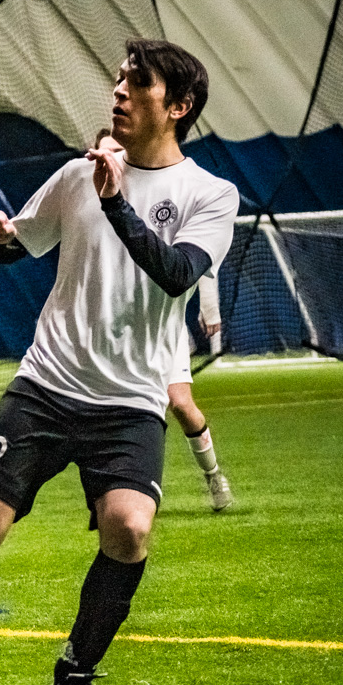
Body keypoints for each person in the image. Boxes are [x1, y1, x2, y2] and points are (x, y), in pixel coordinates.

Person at [0, 38, 238, 685]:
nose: (119, 90)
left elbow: (177, 271)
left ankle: (74, 676)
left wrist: (119, 203)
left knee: (128, 529)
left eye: (137, 83)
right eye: (118, 79)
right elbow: (21, 242)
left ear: (177, 107)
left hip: (131, 401)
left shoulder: (211, 194)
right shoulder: (73, 176)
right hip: (47, 384)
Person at [94, 132, 233, 513]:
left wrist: (210, 310)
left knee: (180, 403)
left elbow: (199, 262)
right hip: (109, 334)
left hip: (161, 330)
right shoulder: (88, 202)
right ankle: (116, 493)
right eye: (103, 153)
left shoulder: (163, 197)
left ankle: (213, 475)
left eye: (117, 152)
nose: (111, 160)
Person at [166, 273, 233, 511]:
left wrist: (209, 305)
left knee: (181, 404)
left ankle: (213, 474)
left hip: (165, 325)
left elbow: (206, 255)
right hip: (118, 327)